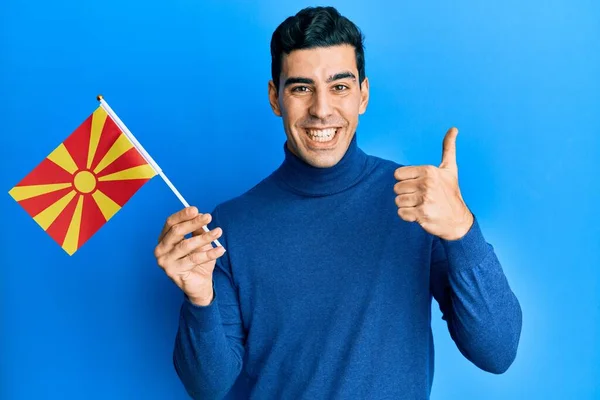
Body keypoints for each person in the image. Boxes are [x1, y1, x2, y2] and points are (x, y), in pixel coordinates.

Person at [154, 6, 522, 400]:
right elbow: (208, 387)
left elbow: (497, 351)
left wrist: (463, 231)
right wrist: (200, 302)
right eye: (301, 88)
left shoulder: (419, 203)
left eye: (340, 87)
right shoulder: (229, 227)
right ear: (275, 98)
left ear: (363, 95)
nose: (321, 109)